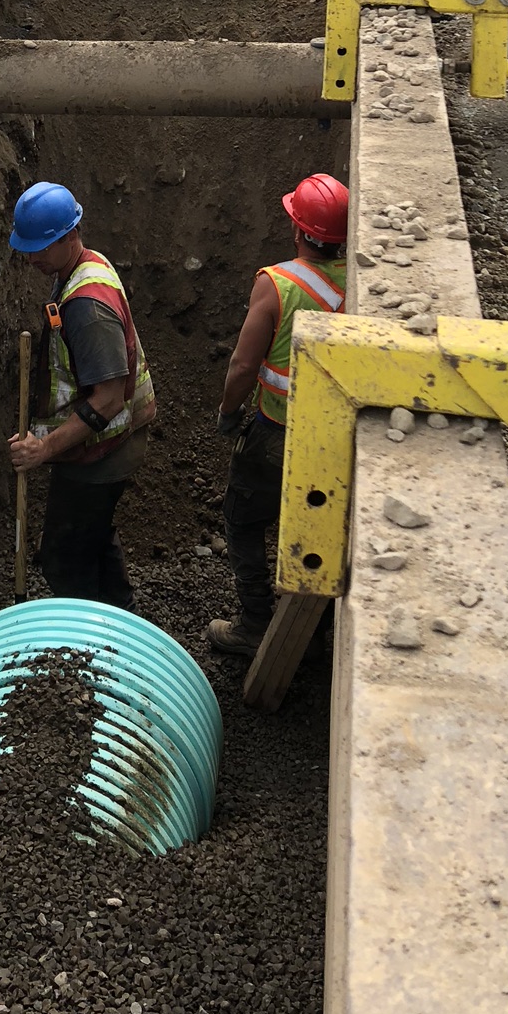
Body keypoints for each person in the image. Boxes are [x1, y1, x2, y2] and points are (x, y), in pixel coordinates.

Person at [208, 173, 349, 659]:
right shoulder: (360, 283)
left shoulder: (276, 285)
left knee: (243, 520)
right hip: (335, 439)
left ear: (297, 229)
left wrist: (228, 413)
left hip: (276, 433)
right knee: (321, 527)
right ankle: (320, 628)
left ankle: (254, 623)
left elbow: (244, 365)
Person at [7, 181, 155, 609]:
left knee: (65, 558)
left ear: (71, 235)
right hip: (105, 443)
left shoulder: (87, 308)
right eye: (28, 247)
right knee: (94, 535)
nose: (33, 257)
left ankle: (89, 650)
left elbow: (108, 400)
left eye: (42, 247)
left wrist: (43, 449)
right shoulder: (82, 266)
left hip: (103, 451)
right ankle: (122, 617)